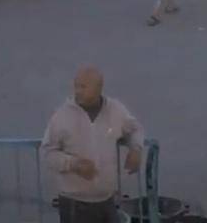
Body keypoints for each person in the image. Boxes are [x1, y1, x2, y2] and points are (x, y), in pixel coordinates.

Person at [42, 66, 145, 223]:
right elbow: (48, 153)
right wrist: (73, 164)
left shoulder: (115, 110)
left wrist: (136, 149)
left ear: (99, 87)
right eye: (76, 86)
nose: (78, 91)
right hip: (74, 203)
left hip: (107, 200)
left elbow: (135, 129)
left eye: (83, 87)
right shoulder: (61, 116)